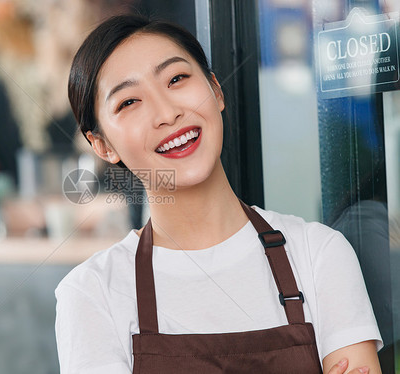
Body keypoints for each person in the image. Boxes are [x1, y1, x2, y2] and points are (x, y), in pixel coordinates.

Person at [55, 15, 383, 373]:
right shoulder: (91, 294)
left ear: (216, 90)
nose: (167, 112)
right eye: (129, 102)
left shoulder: (319, 254)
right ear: (102, 146)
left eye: (177, 79)